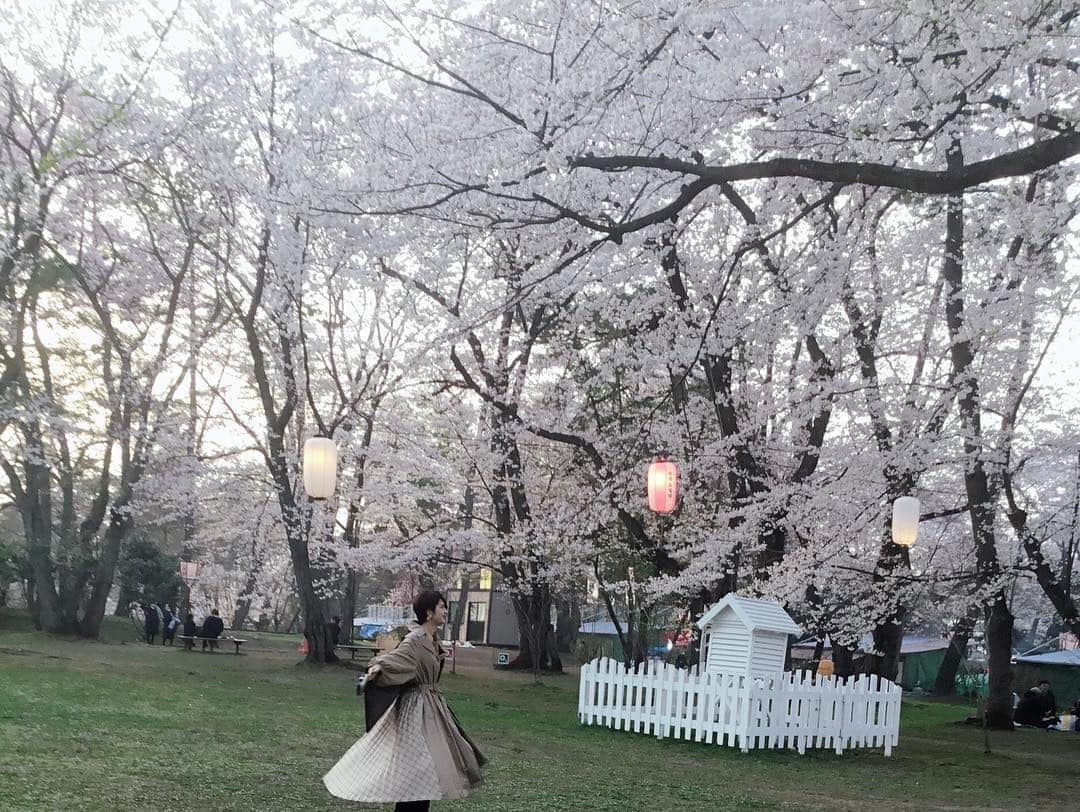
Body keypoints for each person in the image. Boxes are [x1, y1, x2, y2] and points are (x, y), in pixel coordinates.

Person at [323, 590, 486, 811]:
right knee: (418, 772)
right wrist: (375, 670)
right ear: (429, 613)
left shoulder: (432, 639)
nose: (445, 611)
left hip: (432, 708)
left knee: (430, 771)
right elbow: (392, 660)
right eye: (441, 606)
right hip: (416, 712)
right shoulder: (415, 640)